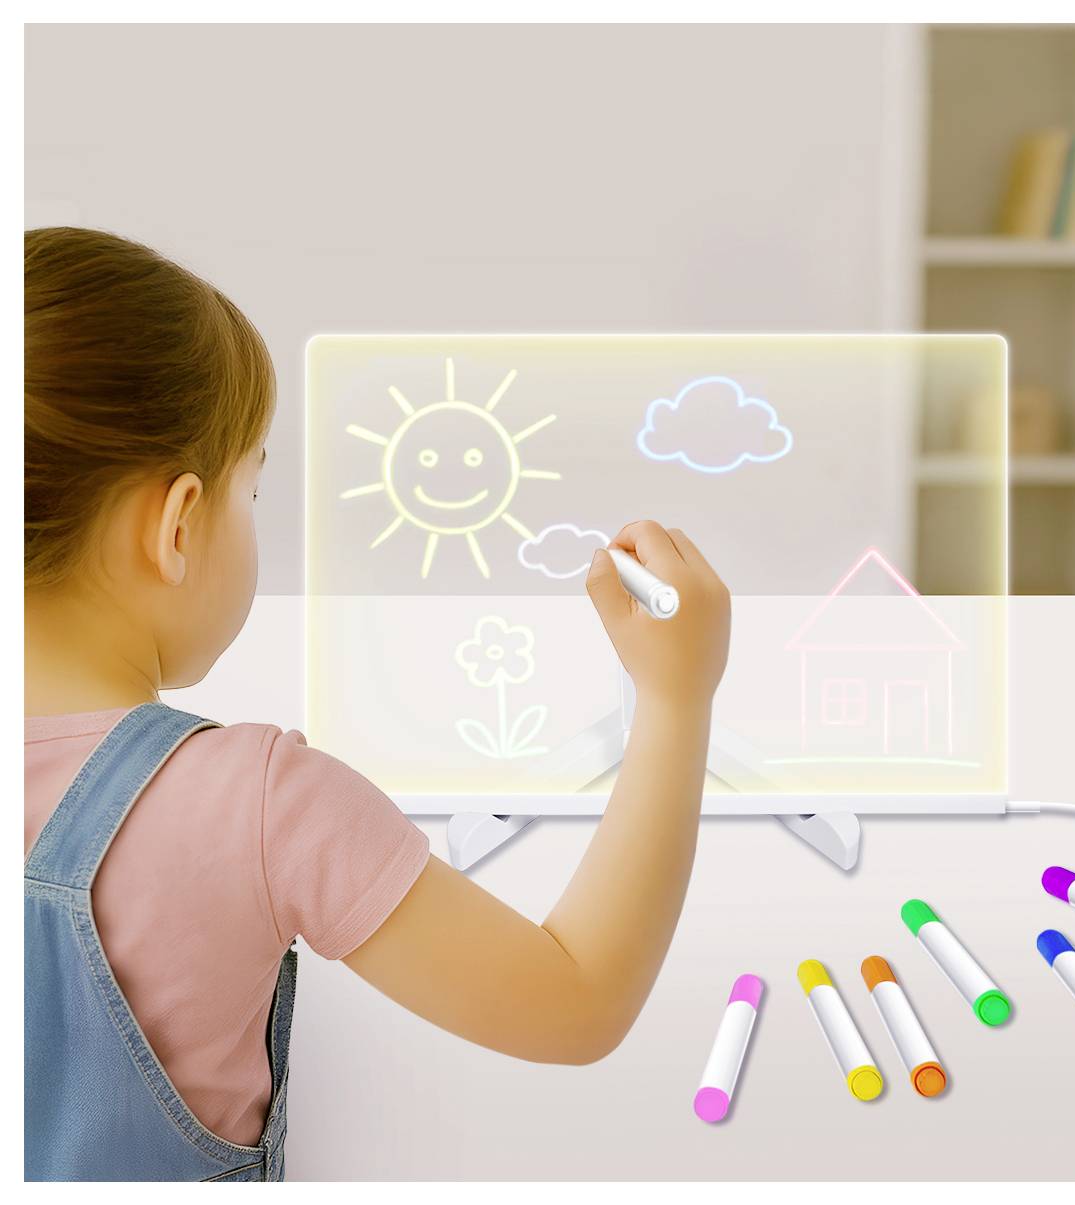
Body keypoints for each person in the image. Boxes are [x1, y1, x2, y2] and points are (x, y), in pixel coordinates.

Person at [24, 227, 731, 1181]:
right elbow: (576, 1000)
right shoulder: (254, 800)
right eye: (254, 488)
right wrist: (677, 696)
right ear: (179, 523)